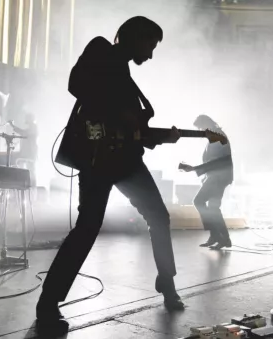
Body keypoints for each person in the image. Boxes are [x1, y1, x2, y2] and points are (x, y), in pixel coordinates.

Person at [35, 17, 184, 336]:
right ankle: (48, 302)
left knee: (159, 216)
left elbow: (131, 132)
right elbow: (77, 85)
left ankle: (167, 284)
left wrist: (155, 136)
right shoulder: (102, 49)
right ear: (136, 36)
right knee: (88, 227)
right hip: (99, 158)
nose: (152, 54)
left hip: (126, 160)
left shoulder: (127, 76)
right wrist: (120, 115)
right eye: (150, 45)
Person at [180, 115, 233, 249]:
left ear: (206, 124)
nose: (200, 131)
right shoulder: (216, 135)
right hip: (217, 177)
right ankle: (221, 237)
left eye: (200, 127)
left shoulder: (218, 136)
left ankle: (218, 236)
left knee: (199, 201)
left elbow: (220, 160)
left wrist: (195, 168)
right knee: (213, 208)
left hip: (218, 177)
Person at [9, 113, 38, 185]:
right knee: (24, 167)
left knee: (30, 170)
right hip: (27, 153)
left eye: (27, 118)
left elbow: (24, 133)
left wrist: (12, 126)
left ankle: (31, 185)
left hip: (30, 153)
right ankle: (24, 183)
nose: (25, 119)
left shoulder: (34, 127)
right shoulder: (32, 128)